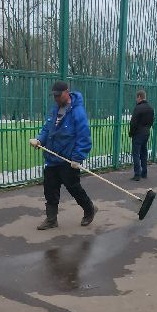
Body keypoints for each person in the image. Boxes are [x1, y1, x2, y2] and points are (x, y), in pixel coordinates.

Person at [30, 80, 95, 230]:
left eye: (58, 95)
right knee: (50, 189)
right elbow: (47, 129)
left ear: (67, 92)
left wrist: (77, 158)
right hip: (52, 158)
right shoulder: (55, 110)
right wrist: (39, 140)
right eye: (54, 96)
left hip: (68, 159)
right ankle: (51, 219)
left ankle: (89, 209)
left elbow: (84, 137)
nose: (56, 98)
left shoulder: (77, 112)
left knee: (74, 188)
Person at [129, 90, 155, 181]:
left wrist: (131, 133)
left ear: (139, 97)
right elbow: (152, 121)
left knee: (136, 153)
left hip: (138, 133)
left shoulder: (138, 108)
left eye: (137, 98)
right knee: (144, 153)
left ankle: (137, 174)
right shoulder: (150, 108)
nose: (136, 100)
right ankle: (144, 172)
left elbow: (133, 122)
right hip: (146, 132)